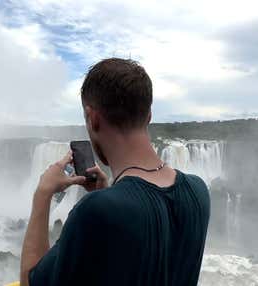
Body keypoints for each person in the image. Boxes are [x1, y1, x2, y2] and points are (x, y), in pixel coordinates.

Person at [20, 58, 211, 286]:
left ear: (93, 119)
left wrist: (42, 194)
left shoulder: (94, 211)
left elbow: (29, 282)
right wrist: (109, 194)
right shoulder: (199, 191)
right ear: (149, 115)